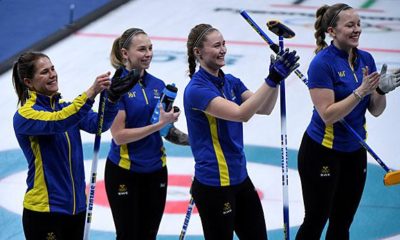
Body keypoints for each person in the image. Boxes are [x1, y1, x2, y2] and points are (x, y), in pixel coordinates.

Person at [184, 23, 299, 239]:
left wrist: (275, 81)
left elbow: (264, 108)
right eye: (216, 46)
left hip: (240, 178)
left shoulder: (231, 82)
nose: (223, 50)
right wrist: (271, 80)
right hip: (214, 184)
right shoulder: (197, 90)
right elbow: (241, 114)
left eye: (224, 44)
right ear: (198, 52)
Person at [295, 3, 400, 239]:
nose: (357, 30)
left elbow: (375, 110)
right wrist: (360, 91)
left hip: (355, 151)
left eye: (359, 24)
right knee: (316, 219)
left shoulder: (366, 59)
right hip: (322, 151)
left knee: (342, 223)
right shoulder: (322, 64)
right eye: (350, 25)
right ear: (332, 31)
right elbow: (328, 114)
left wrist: (381, 92)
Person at [12, 51, 138, 240]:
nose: (52, 74)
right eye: (44, 72)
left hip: (77, 209)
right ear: (28, 82)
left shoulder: (66, 107)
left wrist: (112, 99)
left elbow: (99, 125)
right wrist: (91, 92)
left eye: (53, 69)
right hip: (45, 211)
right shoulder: (25, 115)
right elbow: (58, 121)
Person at [105, 27, 189, 240]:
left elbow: (164, 130)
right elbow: (119, 135)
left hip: (156, 170)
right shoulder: (116, 88)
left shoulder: (158, 85)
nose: (148, 53)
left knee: (148, 236)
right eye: (142, 49)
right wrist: (158, 125)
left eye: (150, 48)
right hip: (125, 172)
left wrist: (192, 140)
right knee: (128, 236)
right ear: (125, 53)